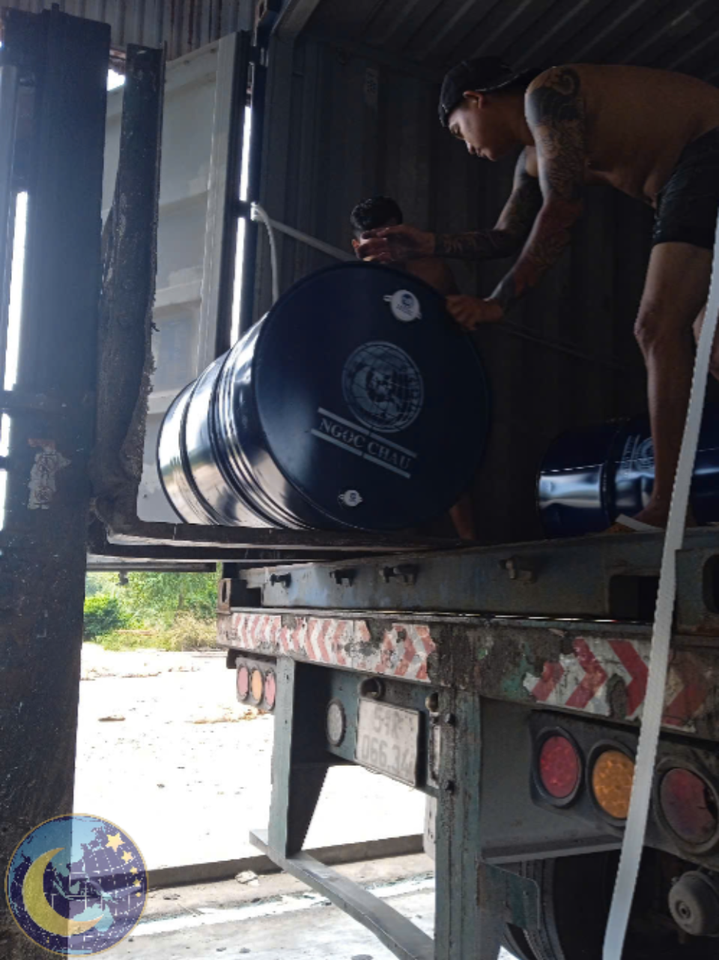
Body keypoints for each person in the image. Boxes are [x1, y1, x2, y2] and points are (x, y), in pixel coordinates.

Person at [358, 58, 719, 533]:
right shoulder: (533, 160)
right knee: (709, 342)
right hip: (686, 187)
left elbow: (562, 208)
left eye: (459, 131)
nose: (466, 146)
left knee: (656, 327)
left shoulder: (547, 93)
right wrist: (428, 244)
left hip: (705, 153)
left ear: (476, 99)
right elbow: (505, 237)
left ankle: (670, 506)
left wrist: (497, 303)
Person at [350, 195, 476, 540]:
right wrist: (373, 275)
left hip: (430, 376)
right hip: (375, 385)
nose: (384, 248)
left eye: (389, 238)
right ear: (357, 245)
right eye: (373, 240)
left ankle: (470, 541)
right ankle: (389, 539)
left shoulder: (430, 269)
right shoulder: (354, 280)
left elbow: (454, 328)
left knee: (447, 459)